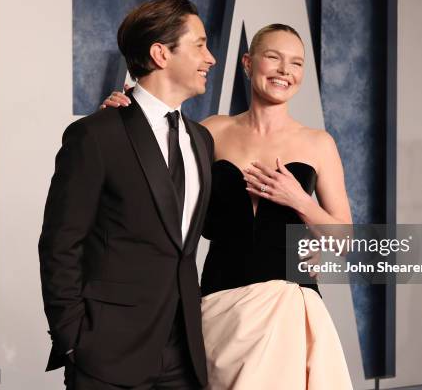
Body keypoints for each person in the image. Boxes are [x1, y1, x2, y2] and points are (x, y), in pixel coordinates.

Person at [103, 24, 354, 389]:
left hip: (288, 307)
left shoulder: (319, 143)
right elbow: (150, 178)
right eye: (274, 57)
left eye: (296, 63)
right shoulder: (211, 131)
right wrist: (121, 118)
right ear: (249, 64)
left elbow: (344, 240)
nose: (285, 70)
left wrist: (298, 200)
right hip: (218, 305)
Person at [39, 0, 216, 389]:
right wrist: (73, 340)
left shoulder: (202, 140)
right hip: (106, 355)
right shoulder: (96, 134)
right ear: (160, 53)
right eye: (200, 45)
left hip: (184, 356)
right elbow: (60, 244)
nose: (212, 58)